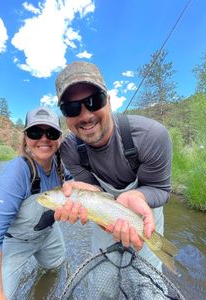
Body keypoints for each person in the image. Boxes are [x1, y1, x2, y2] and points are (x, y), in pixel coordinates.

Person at [54, 61, 172, 272]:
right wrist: (88, 203)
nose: (85, 115)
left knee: (146, 282)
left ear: (108, 101)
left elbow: (160, 189)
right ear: (65, 116)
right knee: (103, 284)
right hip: (103, 214)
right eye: (72, 108)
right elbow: (94, 191)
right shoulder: (69, 150)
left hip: (143, 216)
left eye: (94, 101)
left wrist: (137, 197)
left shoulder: (151, 136)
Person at [0, 107, 72, 300]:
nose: (44, 139)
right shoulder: (15, 174)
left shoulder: (62, 165)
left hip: (49, 231)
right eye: (35, 132)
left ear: (59, 138)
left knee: (55, 268)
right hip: (14, 242)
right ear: (26, 138)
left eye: (51, 132)